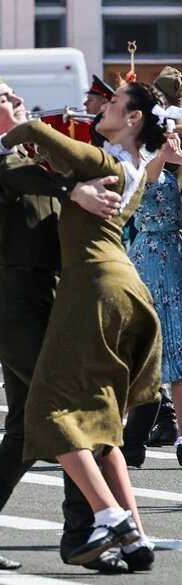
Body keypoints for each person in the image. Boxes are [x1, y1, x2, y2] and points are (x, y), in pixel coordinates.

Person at [0, 69, 136, 573]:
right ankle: (90, 529)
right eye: (6, 99)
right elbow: (14, 174)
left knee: (22, 431)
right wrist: (73, 190)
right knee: (71, 412)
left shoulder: (17, 161)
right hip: (21, 304)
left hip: (35, 302)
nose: (20, 100)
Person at [0, 83, 169, 568]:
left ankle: (109, 516)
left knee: (50, 410)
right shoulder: (127, 166)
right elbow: (58, 165)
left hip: (94, 288)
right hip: (124, 286)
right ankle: (136, 538)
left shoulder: (105, 163)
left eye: (113, 104)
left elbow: (34, 130)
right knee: (100, 416)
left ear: (134, 120)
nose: (102, 107)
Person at [123, 130, 182, 468]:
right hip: (150, 256)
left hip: (171, 253)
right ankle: (128, 439)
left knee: (173, 352)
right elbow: (145, 183)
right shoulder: (139, 162)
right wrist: (164, 156)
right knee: (148, 348)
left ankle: (150, 438)